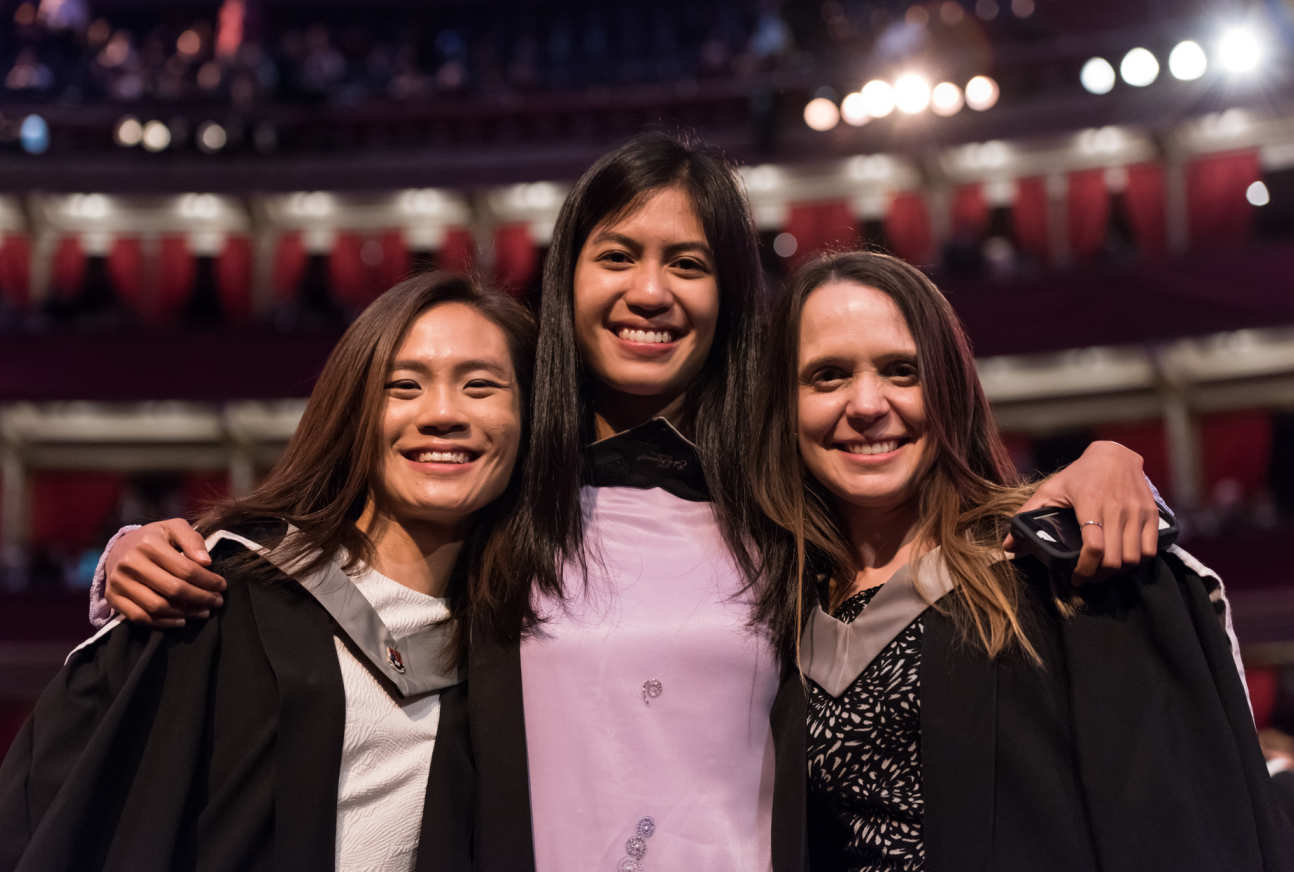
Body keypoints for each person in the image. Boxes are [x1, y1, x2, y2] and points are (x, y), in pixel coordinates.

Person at [86, 133, 1174, 870]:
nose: (650, 290)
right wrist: (141, 546)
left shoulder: (781, 502)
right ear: (568, 277)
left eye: (687, 262)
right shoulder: (502, 497)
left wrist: (1092, 468)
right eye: (618, 255)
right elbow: (348, 544)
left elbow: (917, 492)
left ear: (729, 295)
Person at [754, 250, 1290, 871]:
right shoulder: (776, 610)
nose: (868, 403)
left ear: (949, 387)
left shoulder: (1053, 566)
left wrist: (1111, 461)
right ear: (784, 407)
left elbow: (1181, 829)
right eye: (828, 376)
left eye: (903, 371)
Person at [0, 273, 537, 872]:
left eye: (481, 386)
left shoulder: (524, 641)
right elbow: (65, 798)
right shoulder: (221, 595)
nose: (443, 413)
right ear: (354, 412)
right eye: (404, 386)